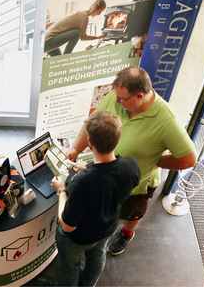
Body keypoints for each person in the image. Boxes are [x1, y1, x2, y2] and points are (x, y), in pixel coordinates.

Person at [65, 66, 197, 256]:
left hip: (136, 185)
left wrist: (156, 161)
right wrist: (75, 148)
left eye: (121, 99)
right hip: (105, 178)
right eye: (116, 96)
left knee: (131, 212)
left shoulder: (167, 121)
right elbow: (92, 122)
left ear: (140, 96)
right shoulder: (117, 96)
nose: (116, 101)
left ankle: (127, 233)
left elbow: (188, 159)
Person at [51, 111, 140, 286]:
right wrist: (88, 167)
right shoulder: (131, 166)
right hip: (107, 228)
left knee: (70, 266)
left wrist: (61, 190)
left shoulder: (83, 182)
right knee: (97, 259)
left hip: (79, 238)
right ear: (117, 139)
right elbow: (108, 181)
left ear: (90, 142)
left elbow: (68, 226)